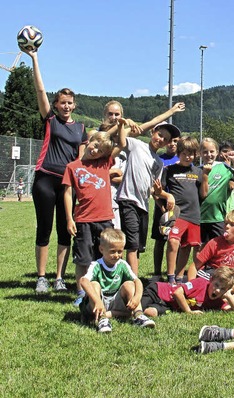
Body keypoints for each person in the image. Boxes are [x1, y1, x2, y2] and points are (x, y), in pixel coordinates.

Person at [23, 48, 88, 294]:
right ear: (56, 104)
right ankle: (41, 277)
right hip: (45, 179)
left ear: (74, 105)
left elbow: (81, 160)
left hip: (66, 185)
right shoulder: (50, 119)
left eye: (70, 103)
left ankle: (59, 277)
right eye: (62, 102)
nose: (66, 106)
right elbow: (40, 90)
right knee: (44, 228)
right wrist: (35, 58)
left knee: (65, 230)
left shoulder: (81, 128)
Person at [62, 122, 127, 306]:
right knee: (83, 259)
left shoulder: (104, 163)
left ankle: (107, 291)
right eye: (94, 145)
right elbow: (67, 193)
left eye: (100, 150)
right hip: (83, 219)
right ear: (89, 140)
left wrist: (121, 126)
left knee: (106, 256)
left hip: (105, 219)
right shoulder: (72, 167)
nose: (95, 150)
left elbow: (121, 144)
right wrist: (69, 218)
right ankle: (82, 293)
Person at [116, 111, 185, 275]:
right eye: (160, 135)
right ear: (153, 131)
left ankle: (133, 277)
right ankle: (133, 282)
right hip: (128, 200)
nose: (161, 139)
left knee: (138, 246)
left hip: (143, 205)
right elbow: (120, 141)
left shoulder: (159, 162)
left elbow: (154, 189)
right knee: (131, 245)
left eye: (165, 139)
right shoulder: (136, 145)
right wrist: (121, 125)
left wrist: (165, 194)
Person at [79, 228, 155, 333]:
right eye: (112, 251)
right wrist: (97, 301)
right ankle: (102, 319)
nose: (116, 255)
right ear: (101, 249)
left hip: (115, 301)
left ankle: (138, 315)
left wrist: (137, 298)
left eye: (120, 251)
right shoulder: (96, 265)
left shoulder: (122, 264)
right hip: (96, 304)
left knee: (129, 284)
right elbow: (83, 281)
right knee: (94, 284)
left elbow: (138, 281)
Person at [155, 137, 209, 284]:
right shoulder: (169, 170)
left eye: (191, 154)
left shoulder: (197, 171)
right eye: (184, 153)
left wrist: (205, 176)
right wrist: (166, 199)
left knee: (186, 247)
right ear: (178, 153)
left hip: (193, 214)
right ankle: (170, 277)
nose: (187, 157)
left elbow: (203, 195)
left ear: (195, 155)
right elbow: (157, 192)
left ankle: (179, 278)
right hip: (177, 214)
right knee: (173, 242)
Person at [186, 210, 234, 302]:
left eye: (232, 225)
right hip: (212, 274)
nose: (227, 227)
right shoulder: (215, 243)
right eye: (226, 224)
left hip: (229, 279)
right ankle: (207, 296)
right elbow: (194, 266)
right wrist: (191, 285)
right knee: (232, 288)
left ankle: (211, 299)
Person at [142, 266, 234, 317]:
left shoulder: (217, 301)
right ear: (211, 280)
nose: (218, 290)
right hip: (158, 291)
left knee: (151, 313)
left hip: (169, 305)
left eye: (223, 289)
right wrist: (188, 312)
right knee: (135, 309)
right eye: (216, 285)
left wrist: (229, 296)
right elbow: (178, 293)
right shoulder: (201, 283)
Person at [199, 138, 234, 246]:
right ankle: (200, 263)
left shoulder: (224, 168)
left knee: (219, 245)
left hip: (218, 216)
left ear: (217, 152)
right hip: (201, 217)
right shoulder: (197, 170)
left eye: (212, 151)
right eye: (205, 152)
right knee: (200, 247)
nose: (209, 154)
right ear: (200, 154)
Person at [150, 133, 181, 279]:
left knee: (176, 240)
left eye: (175, 140)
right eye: (169, 141)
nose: (172, 144)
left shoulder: (183, 160)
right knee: (160, 239)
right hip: (161, 205)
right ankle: (157, 273)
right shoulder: (160, 160)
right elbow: (154, 186)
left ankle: (173, 272)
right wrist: (160, 205)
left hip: (178, 207)